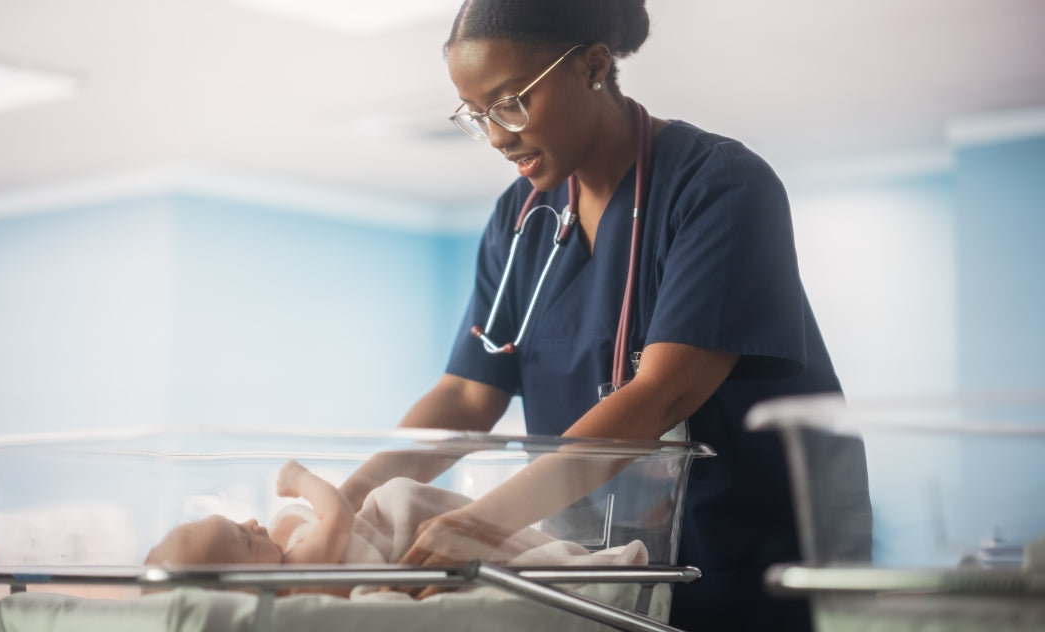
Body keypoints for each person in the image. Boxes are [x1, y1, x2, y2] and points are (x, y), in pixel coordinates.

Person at [337, 1, 870, 630]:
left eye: (511, 101)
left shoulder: (719, 186)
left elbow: (662, 392)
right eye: (477, 116)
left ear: (592, 66)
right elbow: (464, 394)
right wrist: (342, 504)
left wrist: (480, 524)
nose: (498, 136)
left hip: (737, 562)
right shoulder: (519, 219)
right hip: (596, 576)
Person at [146, 460, 649, 597]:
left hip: (410, 537)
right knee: (509, 555)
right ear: (245, 588)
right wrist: (302, 481)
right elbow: (340, 515)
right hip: (409, 538)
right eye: (242, 538)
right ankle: (575, 564)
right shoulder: (298, 569)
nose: (254, 522)